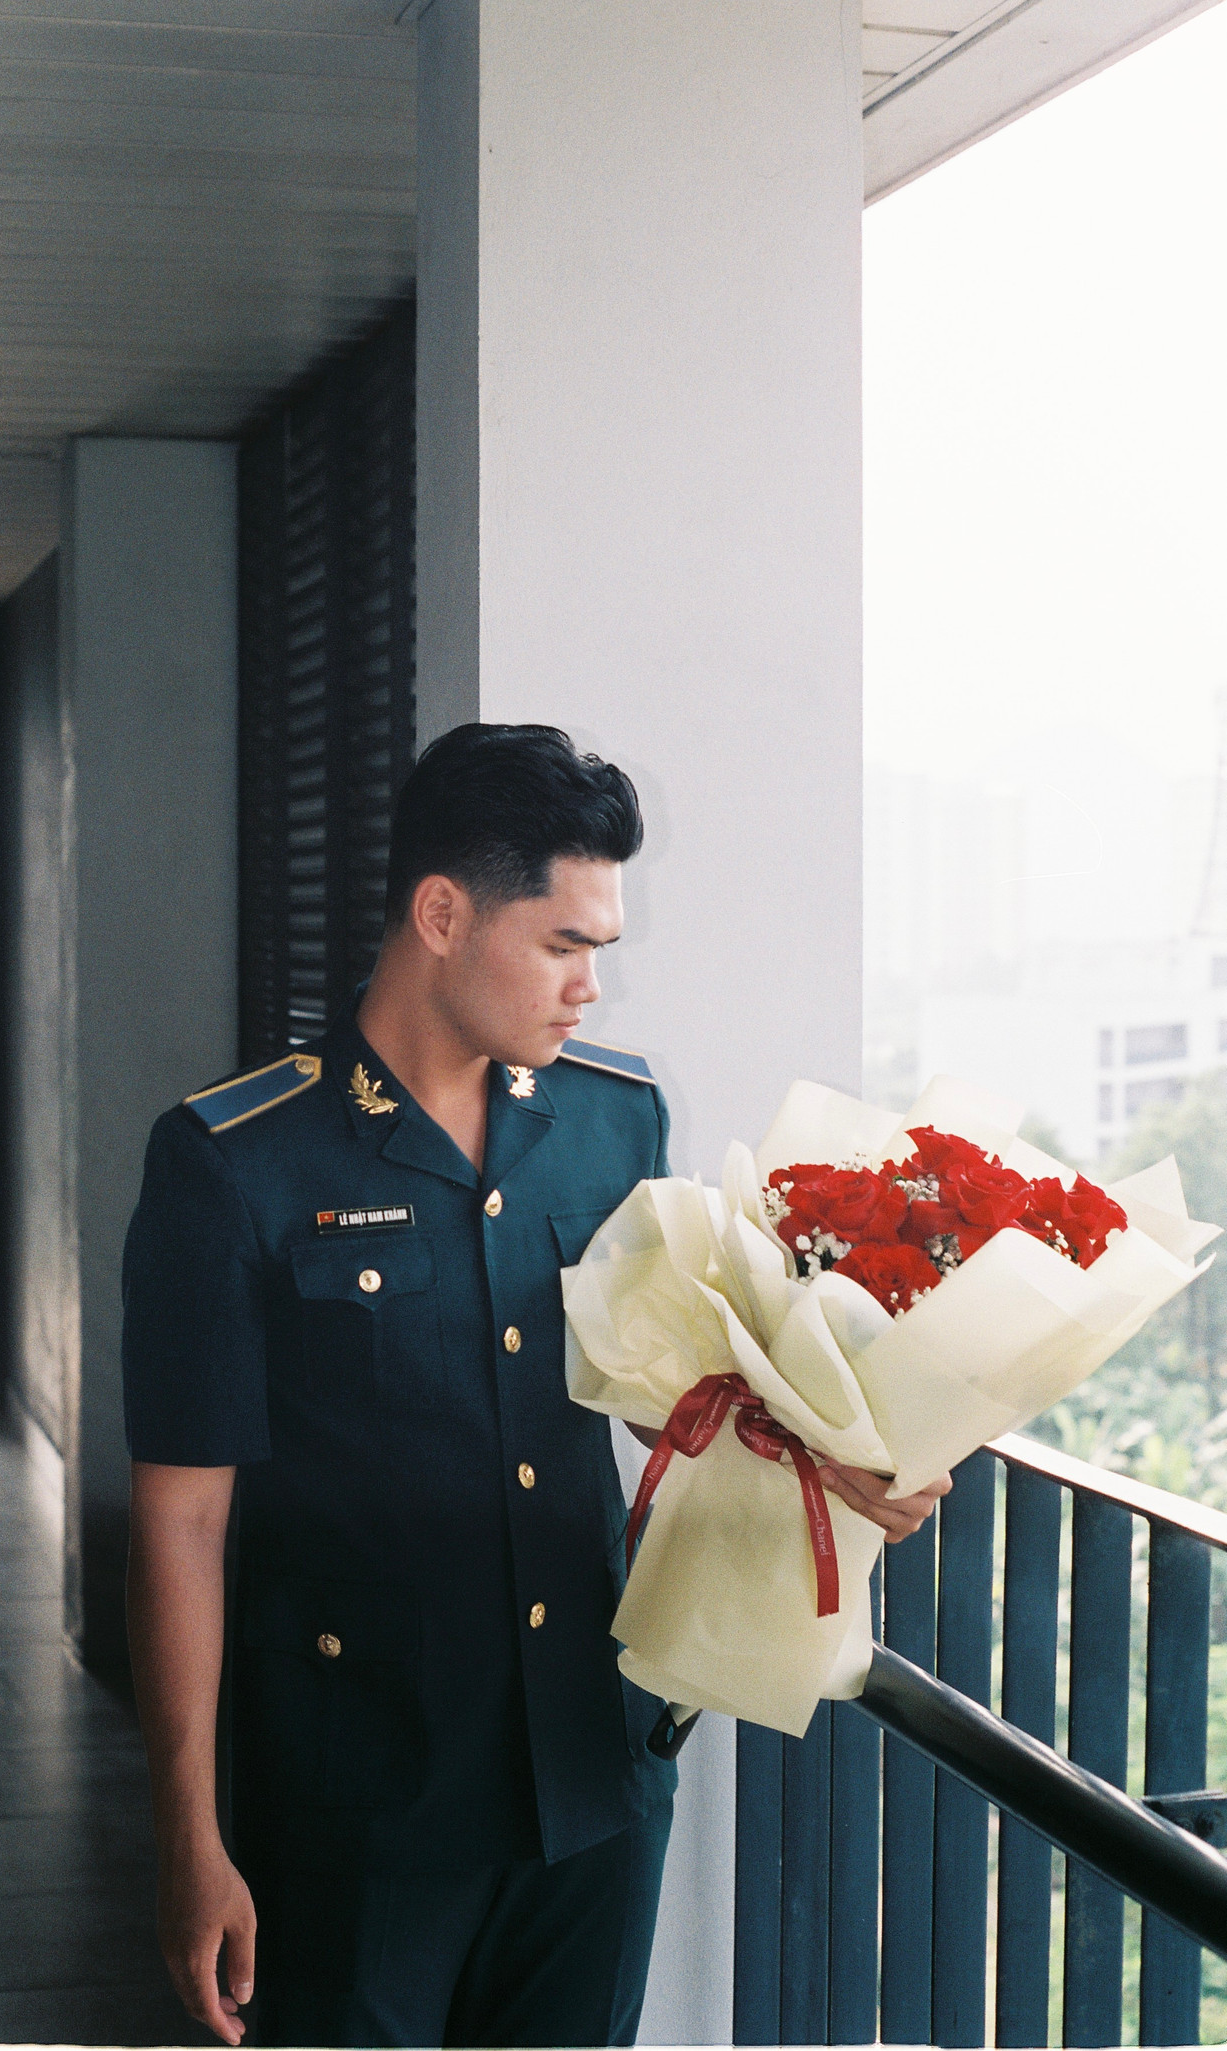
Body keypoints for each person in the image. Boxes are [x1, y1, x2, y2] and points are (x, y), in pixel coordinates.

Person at [121, 723, 950, 2049]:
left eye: (599, 950)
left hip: (588, 1782)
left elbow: (659, 1386)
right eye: (564, 945)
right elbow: (182, 1516)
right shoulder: (236, 1162)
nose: (589, 990)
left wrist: (829, 1456)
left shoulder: (614, 1118)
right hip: (358, 1806)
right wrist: (187, 1833)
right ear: (442, 916)